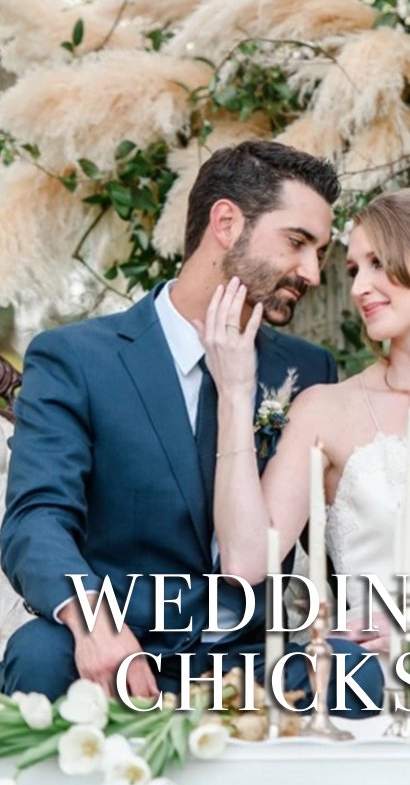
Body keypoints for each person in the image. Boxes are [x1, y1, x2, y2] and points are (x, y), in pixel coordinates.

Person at [0, 140, 383, 716]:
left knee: (360, 674)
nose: (311, 271)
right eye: (298, 242)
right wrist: (93, 623)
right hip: (130, 644)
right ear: (226, 223)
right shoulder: (78, 359)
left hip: (259, 653)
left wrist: (369, 606)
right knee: (41, 654)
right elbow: (37, 517)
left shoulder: (305, 369)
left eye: (320, 252)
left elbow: (326, 533)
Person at [203, 185, 410, 716]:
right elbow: (245, 562)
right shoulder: (325, 409)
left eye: (378, 263)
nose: (360, 287)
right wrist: (236, 395)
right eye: (354, 269)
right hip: (374, 675)